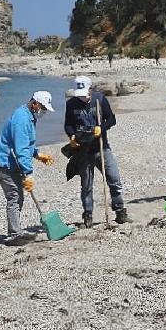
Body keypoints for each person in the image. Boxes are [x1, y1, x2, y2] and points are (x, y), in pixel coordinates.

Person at [64, 76, 131, 227]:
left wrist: (102, 128)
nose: (82, 97)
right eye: (79, 94)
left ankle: (120, 212)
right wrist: (72, 136)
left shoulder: (99, 99)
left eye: (84, 93)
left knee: (114, 179)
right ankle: (88, 216)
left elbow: (112, 119)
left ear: (90, 89)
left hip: (102, 147)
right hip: (83, 150)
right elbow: (68, 125)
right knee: (86, 186)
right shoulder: (71, 104)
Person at [0, 91, 55, 245]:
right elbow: (20, 149)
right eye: (43, 108)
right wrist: (28, 173)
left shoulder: (28, 116)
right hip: (6, 165)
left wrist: (37, 154)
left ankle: (16, 231)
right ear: (34, 103)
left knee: (17, 197)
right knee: (14, 197)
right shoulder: (21, 119)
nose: (44, 112)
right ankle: (14, 235)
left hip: (15, 164)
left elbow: (26, 144)